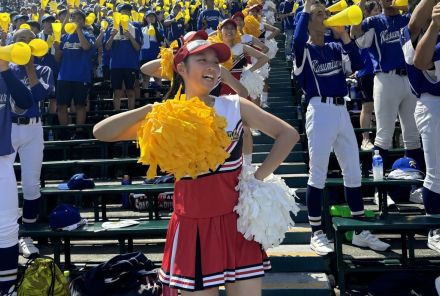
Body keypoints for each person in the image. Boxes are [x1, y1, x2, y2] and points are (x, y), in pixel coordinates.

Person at [93, 39, 299, 294]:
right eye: (203, 60)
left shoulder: (234, 106)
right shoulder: (165, 117)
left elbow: (288, 135)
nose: (212, 67)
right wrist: (148, 109)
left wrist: (256, 178)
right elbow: (102, 131)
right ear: (181, 68)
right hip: (193, 227)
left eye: (215, 62)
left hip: (236, 223)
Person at [294, 0, 390, 256]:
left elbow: (358, 64)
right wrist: (306, 9)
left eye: (326, 13)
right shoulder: (303, 49)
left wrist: (344, 35)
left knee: (353, 170)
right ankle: (316, 233)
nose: (325, 17)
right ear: (308, 20)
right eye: (319, 15)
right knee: (318, 174)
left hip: (341, 110)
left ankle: (359, 231)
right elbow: (296, 39)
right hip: (319, 109)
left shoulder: (336, 47)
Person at [351, 0, 423, 172]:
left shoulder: (407, 18)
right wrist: (360, 4)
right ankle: (379, 188)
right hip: (385, 78)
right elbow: (355, 33)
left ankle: (415, 182)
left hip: (409, 77)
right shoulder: (374, 21)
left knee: (413, 136)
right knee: (384, 135)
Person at [9, 29, 54, 259]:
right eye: (20, 40)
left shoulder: (43, 68)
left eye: (28, 40)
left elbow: (38, 96)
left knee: (30, 185)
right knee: (3, 184)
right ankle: (6, 234)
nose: (24, 44)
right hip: (8, 127)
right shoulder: (5, 67)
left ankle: (26, 235)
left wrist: (29, 66)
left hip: (33, 128)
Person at [401, 0, 440, 253]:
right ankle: (435, 229)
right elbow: (420, 61)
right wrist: (434, 20)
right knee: (437, 175)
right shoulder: (412, 37)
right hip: (431, 105)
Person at [0, 49, 34, 296]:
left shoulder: (5, 75)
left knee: (7, 227)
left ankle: (6, 287)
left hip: (1, 160)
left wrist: (5, 70)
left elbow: (25, 101)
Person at [54, 9, 95, 138]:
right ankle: (64, 132)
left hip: (81, 76)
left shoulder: (88, 35)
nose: (75, 20)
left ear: (83, 21)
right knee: (61, 106)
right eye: (73, 18)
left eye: (78, 18)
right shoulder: (64, 36)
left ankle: (79, 132)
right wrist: (56, 48)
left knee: (80, 106)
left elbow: (86, 47)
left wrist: (78, 30)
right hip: (64, 76)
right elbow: (57, 58)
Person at [105, 3, 142, 111]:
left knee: (130, 90)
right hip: (116, 64)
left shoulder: (134, 28)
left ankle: (130, 114)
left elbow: (137, 48)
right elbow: (107, 47)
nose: (125, 13)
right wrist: (112, 36)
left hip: (130, 64)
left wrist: (130, 37)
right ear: (119, 14)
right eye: (123, 11)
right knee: (117, 91)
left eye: (127, 12)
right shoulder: (112, 28)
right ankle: (116, 114)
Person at [356, 0, 381, 151]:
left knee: (382, 108)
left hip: (381, 72)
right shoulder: (364, 25)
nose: (378, 13)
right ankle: (365, 139)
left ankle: (380, 139)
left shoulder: (383, 24)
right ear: (367, 12)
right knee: (368, 107)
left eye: (379, 10)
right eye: (375, 10)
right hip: (366, 71)